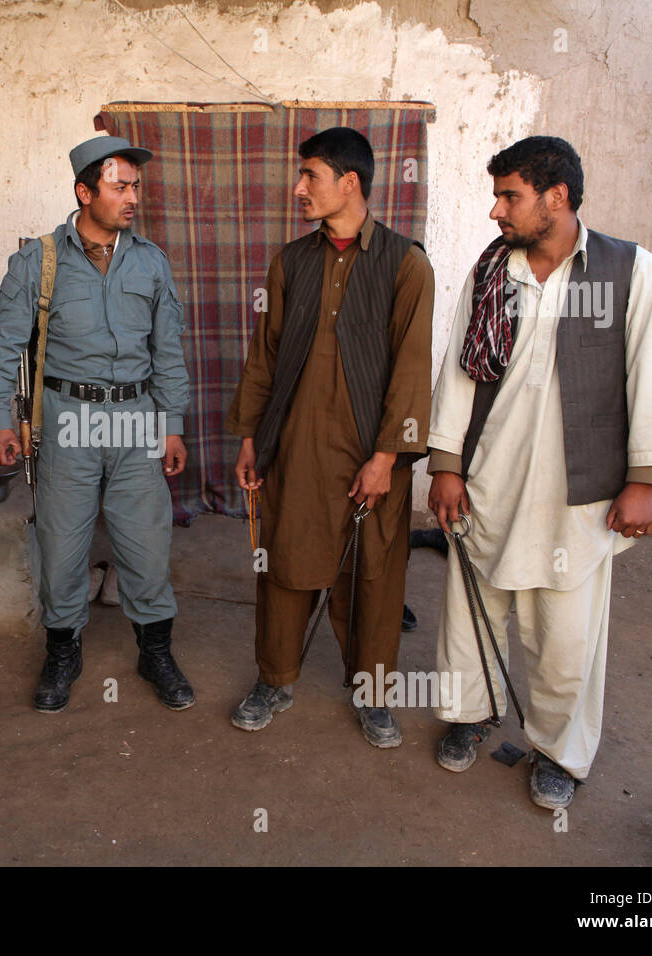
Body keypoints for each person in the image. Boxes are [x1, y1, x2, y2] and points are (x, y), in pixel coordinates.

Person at [427, 135, 652, 809]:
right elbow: (458, 370)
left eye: (509, 196)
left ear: (556, 196)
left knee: (565, 631)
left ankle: (558, 753)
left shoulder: (628, 271)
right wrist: (446, 467)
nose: (496, 212)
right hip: (491, 474)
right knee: (473, 606)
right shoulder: (492, 273)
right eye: (496, 196)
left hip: (580, 488)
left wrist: (643, 482)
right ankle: (469, 713)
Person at [226, 128, 434, 746]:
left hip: (372, 456)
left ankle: (372, 695)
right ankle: (275, 679)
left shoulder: (405, 264)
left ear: (350, 182)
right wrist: (249, 439)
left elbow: (412, 368)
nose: (297, 189)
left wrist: (386, 457)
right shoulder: (290, 262)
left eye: (309, 176)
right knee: (284, 566)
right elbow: (264, 355)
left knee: (371, 575)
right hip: (293, 447)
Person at [0, 135, 192, 714]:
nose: (132, 198)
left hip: (135, 420)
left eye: (136, 188)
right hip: (67, 419)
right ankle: (62, 651)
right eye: (120, 187)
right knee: (62, 544)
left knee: (146, 544)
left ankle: (155, 651)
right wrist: (1, 419)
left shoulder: (149, 261)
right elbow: (2, 346)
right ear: (84, 191)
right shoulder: (39, 262)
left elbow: (168, 350)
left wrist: (171, 423)